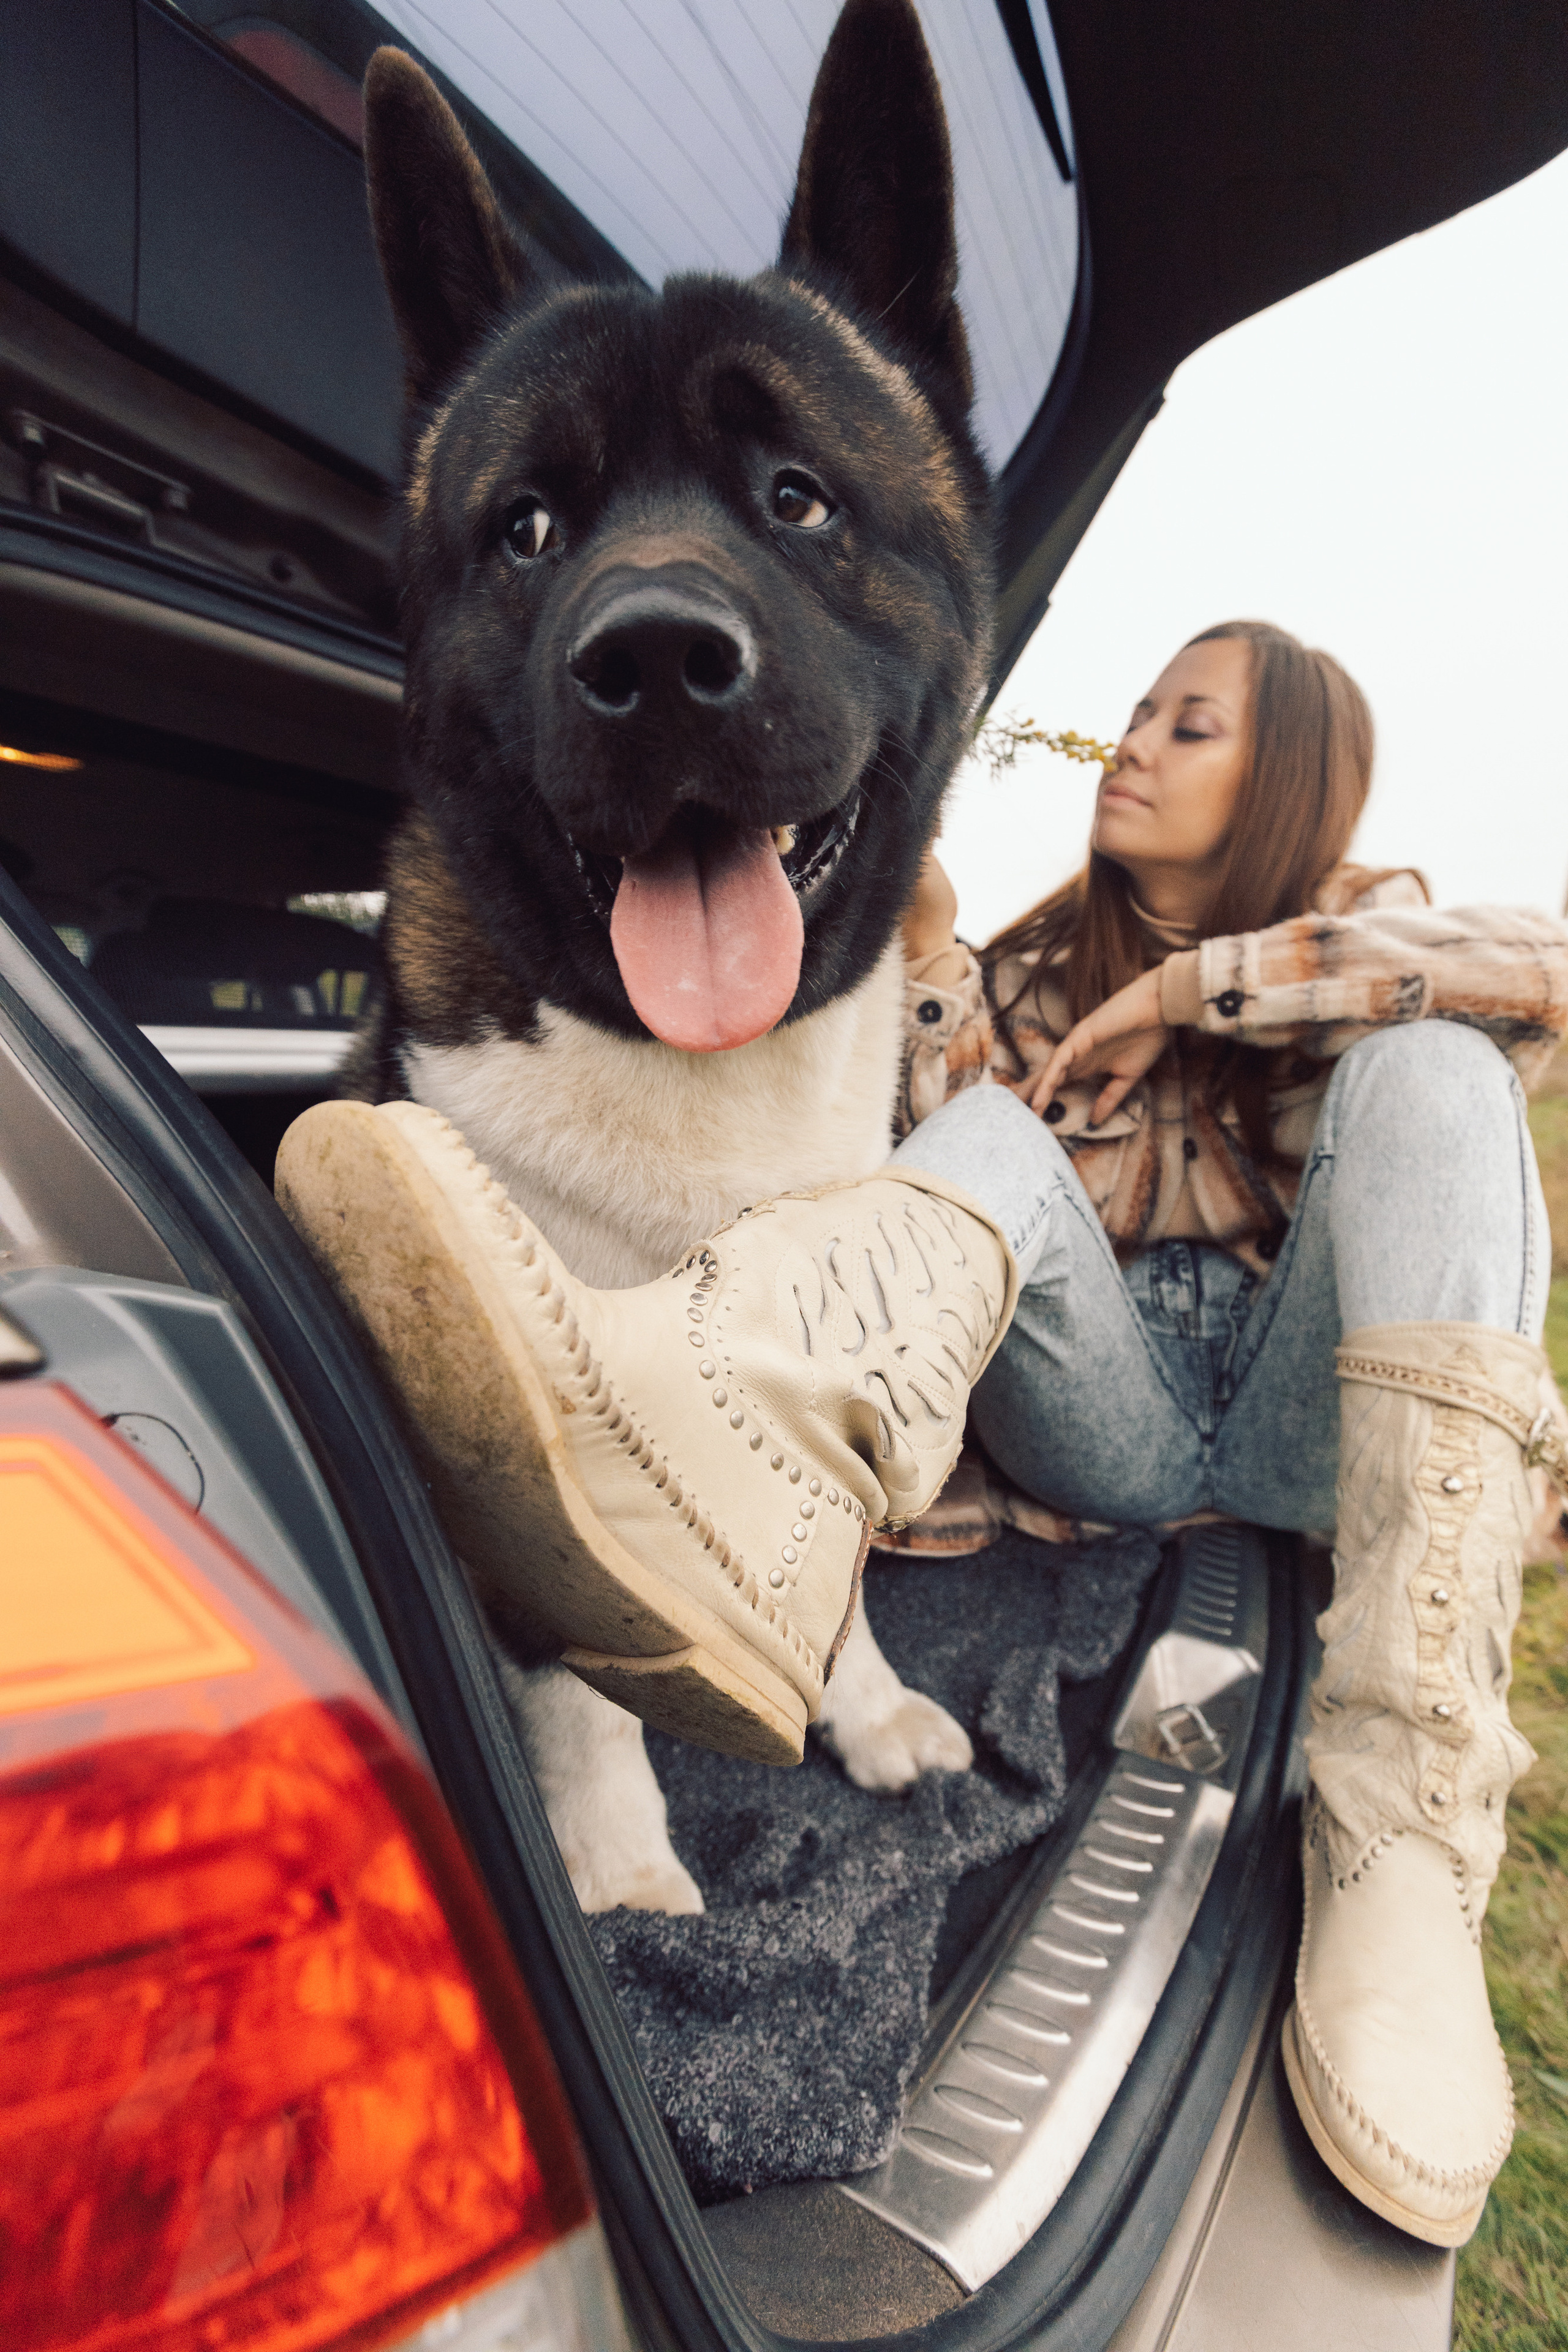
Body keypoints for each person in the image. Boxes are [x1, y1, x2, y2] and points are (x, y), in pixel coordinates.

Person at [280, 618, 1568, 2251]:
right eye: (1138, 711)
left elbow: (1540, 979)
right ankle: (693, 1431)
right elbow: (934, 1171)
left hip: (1305, 1416)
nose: (1136, 743)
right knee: (975, 1133)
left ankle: (1407, 1818)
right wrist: (937, 958)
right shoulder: (1032, 963)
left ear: (1288, 777)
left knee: (1443, 1077)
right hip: (1112, 1435)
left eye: (1192, 726)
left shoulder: (1370, 924)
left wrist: (1190, 988)